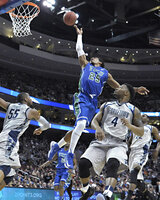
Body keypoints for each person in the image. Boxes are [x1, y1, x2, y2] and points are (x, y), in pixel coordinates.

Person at [48, 25, 149, 170]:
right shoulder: (86, 65)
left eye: (95, 57)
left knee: (79, 127)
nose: (92, 57)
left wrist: (135, 89)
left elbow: (119, 87)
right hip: (82, 97)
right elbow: (79, 49)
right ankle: (70, 154)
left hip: (92, 102)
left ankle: (57, 145)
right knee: (82, 124)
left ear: (100, 62)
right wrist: (79, 35)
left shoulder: (105, 74)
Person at [0, 80, 51, 200]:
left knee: (9, 174)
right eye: (30, 98)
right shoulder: (31, 111)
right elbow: (48, 125)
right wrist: (41, 129)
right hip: (9, 139)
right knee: (6, 167)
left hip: (3, 138)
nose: (32, 100)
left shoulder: (10, 105)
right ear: (26, 99)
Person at [78, 83, 144, 200]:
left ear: (126, 93)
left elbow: (141, 132)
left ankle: (107, 195)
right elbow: (94, 121)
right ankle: (87, 189)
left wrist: (130, 125)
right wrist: (98, 128)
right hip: (101, 140)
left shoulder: (134, 110)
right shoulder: (107, 105)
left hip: (119, 143)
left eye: (120, 87)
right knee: (83, 163)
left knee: (113, 164)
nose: (117, 88)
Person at [125, 114, 160, 200]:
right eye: (141, 115)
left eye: (144, 115)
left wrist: (156, 149)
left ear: (148, 119)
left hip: (142, 151)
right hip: (132, 153)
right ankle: (152, 197)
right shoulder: (135, 128)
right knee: (138, 181)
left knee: (134, 171)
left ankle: (128, 197)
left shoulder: (151, 128)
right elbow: (130, 141)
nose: (142, 116)